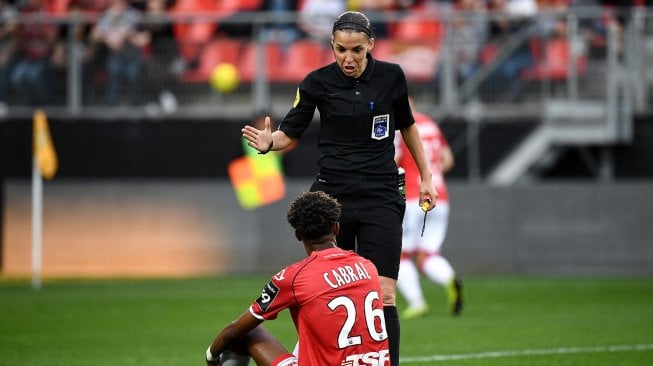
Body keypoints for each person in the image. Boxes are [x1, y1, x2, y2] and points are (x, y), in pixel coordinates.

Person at [242, 11, 437, 366]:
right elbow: (292, 131)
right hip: (333, 198)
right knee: (325, 289)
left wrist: (425, 175)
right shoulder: (316, 82)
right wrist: (272, 142)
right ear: (332, 46)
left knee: (383, 292)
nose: (348, 58)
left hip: (381, 194)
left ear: (370, 46)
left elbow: (407, 126)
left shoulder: (392, 77)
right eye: (341, 50)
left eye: (357, 51)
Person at [205, 191, 390, 366]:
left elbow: (233, 331)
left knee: (246, 333)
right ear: (336, 228)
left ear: (298, 235)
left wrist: (212, 356)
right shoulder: (367, 266)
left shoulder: (293, 277)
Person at [394, 99, 464, 319]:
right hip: (439, 196)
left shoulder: (399, 126)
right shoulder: (431, 124)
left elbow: (393, 159)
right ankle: (450, 279)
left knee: (401, 256)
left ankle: (417, 303)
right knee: (428, 255)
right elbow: (448, 160)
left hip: (414, 197)